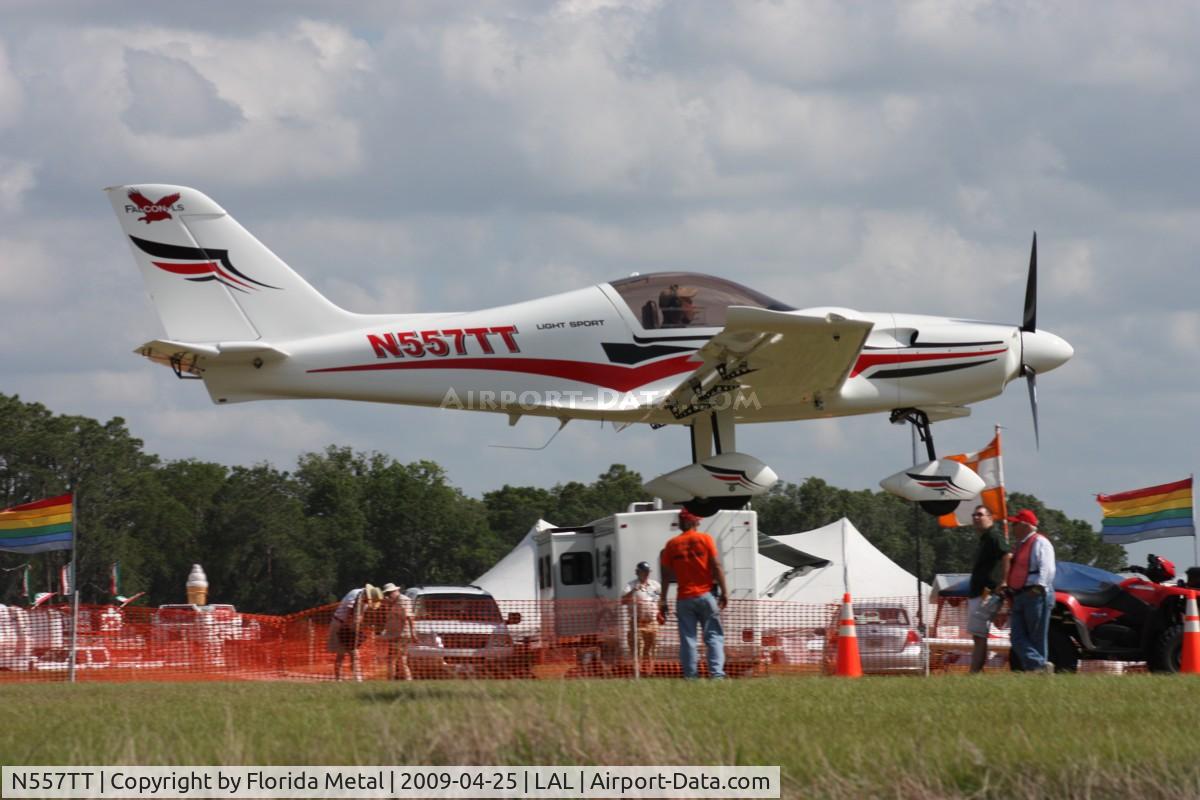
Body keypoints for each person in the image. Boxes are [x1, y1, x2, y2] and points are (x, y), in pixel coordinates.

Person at [659, 509, 729, 679]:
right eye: (697, 521)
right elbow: (716, 566)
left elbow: (666, 575)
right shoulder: (705, 539)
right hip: (705, 595)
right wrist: (724, 592)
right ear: (692, 522)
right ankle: (717, 675)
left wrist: (662, 600)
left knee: (688, 639)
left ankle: (691, 676)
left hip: (683, 598)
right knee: (713, 637)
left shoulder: (671, 545)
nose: (699, 523)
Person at [1005, 510, 1056, 673]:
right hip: (1021, 594)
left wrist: (1039, 587)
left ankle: (1036, 671)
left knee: (1036, 637)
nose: (1012, 527)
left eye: (1015, 524)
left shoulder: (1040, 542)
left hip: (1035, 594)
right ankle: (1040, 666)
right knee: (1017, 637)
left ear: (1025, 525)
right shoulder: (1021, 545)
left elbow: (1047, 568)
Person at [965, 505, 1011, 673]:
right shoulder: (985, 538)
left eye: (980, 515)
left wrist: (1004, 581)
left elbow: (1006, 555)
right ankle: (976, 671)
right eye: (974, 515)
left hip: (987, 592)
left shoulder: (994, 536)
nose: (976, 518)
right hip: (978, 592)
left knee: (979, 634)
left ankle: (974, 672)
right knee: (978, 635)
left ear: (990, 518)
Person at [327, 583, 383, 681]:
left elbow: (359, 617)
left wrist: (357, 627)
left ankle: (356, 678)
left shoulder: (364, 601)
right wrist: (353, 628)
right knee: (341, 654)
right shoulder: (354, 595)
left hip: (350, 627)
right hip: (340, 625)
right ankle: (340, 680)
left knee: (354, 654)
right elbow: (350, 614)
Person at [621, 561, 663, 676]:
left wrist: (661, 613)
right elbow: (622, 601)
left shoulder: (656, 585)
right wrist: (634, 591)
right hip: (636, 622)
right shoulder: (630, 585)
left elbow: (659, 601)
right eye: (643, 572)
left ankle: (650, 672)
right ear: (637, 572)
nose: (646, 574)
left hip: (652, 622)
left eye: (647, 572)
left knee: (652, 649)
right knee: (637, 648)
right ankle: (637, 672)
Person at [380, 582, 415, 680]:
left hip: (401, 635)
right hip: (395, 635)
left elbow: (409, 617)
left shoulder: (403, 600)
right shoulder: (394, 602)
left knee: (394, 659)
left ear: (396, 591)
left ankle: (392, 680)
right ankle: (407, 680)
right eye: (387, 594)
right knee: (400, 659)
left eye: (390, 593)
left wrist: (413, 633)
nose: (388, 596)